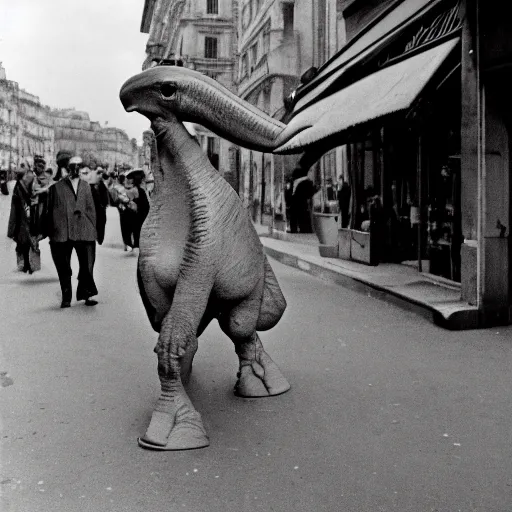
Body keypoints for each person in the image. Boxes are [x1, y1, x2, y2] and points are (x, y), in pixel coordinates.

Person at [43, 156, 99, 308]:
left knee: (87, 265)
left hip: (84, 230)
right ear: (66, 168)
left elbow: (91, 209)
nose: (75, 170)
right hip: (62, 231)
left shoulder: (86, 186)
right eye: (72, 166)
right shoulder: (55, 187)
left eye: (78, 166)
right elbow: (47, 210)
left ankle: (87, 294)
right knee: (63, 266)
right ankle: (66, 297)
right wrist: (48, 231)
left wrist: (93, 228)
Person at [7, 168, 40, 274]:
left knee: (30, 241)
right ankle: (26, 264)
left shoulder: (30, 186)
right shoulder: (18, 188)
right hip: (22, 218)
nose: (30, 178)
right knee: (24, 242)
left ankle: (29, 264)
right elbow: (15, 208)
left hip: (30, 218)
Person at [125, 172, 150, 249]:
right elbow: (146, 205)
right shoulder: (140, 190)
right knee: (138, 231)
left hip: (134, 214)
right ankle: (136, 245)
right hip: (140, 214)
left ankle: (133, 244)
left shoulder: (133, 189)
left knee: (134, 231)